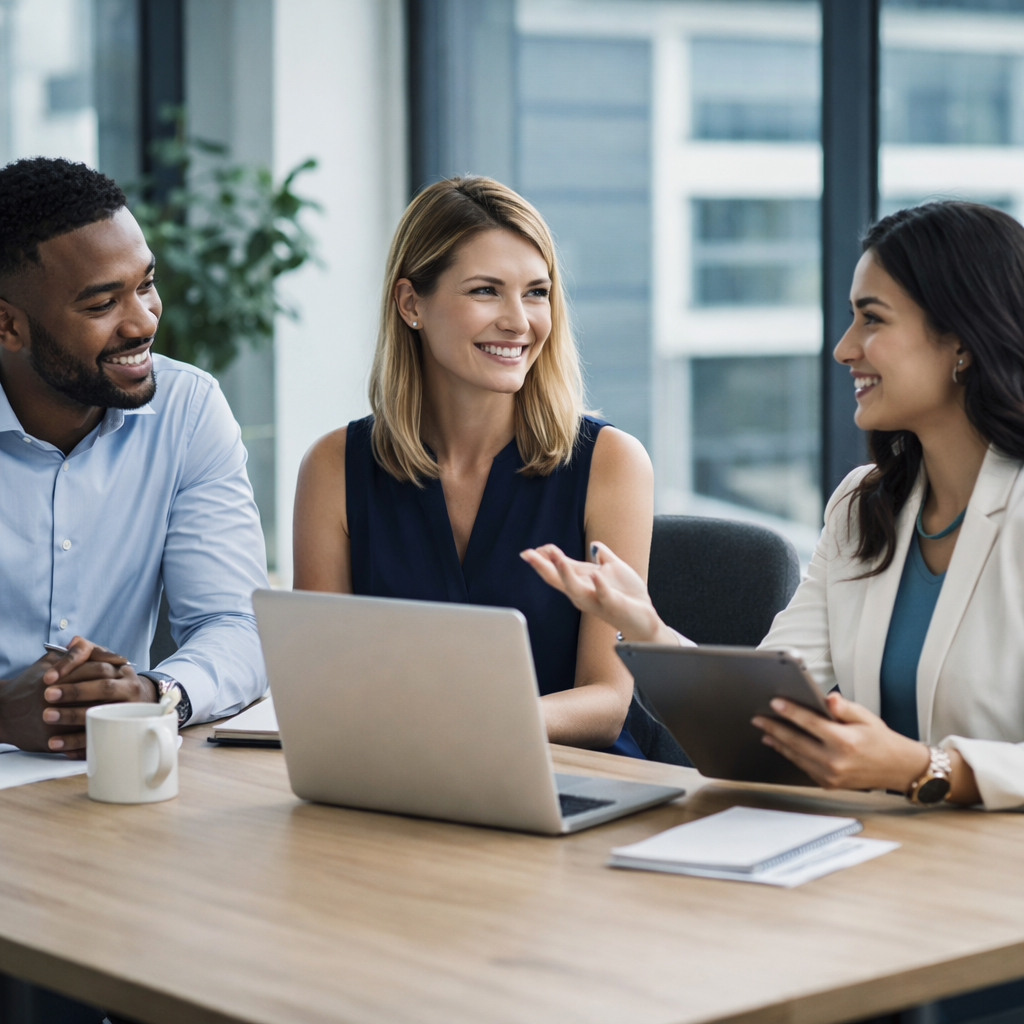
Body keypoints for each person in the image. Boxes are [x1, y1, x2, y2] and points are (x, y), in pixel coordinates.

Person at [523, 200, 1024, 812]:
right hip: (881, 857)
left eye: (872, 320)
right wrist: (644, 624)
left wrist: (928, 767)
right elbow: (760, 723)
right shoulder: (862, 506)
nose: (844, 349)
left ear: (962, 344)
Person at [293, 176, 653, 756]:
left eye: (537, 293)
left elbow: (607, 701)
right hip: (398, 779)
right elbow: (320, 685)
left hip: (569, 778)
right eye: (487, 290)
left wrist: (467, 725)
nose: (519, 321)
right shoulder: (333, 467)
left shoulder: (611, 462)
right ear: (411, 304)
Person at [0, 156, 269, 760]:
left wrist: (152, 692)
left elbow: (239, 625)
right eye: (101, 305)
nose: (144, 321)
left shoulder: (188, 410)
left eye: (145, 284)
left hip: (111, 779)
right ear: (6, 325)